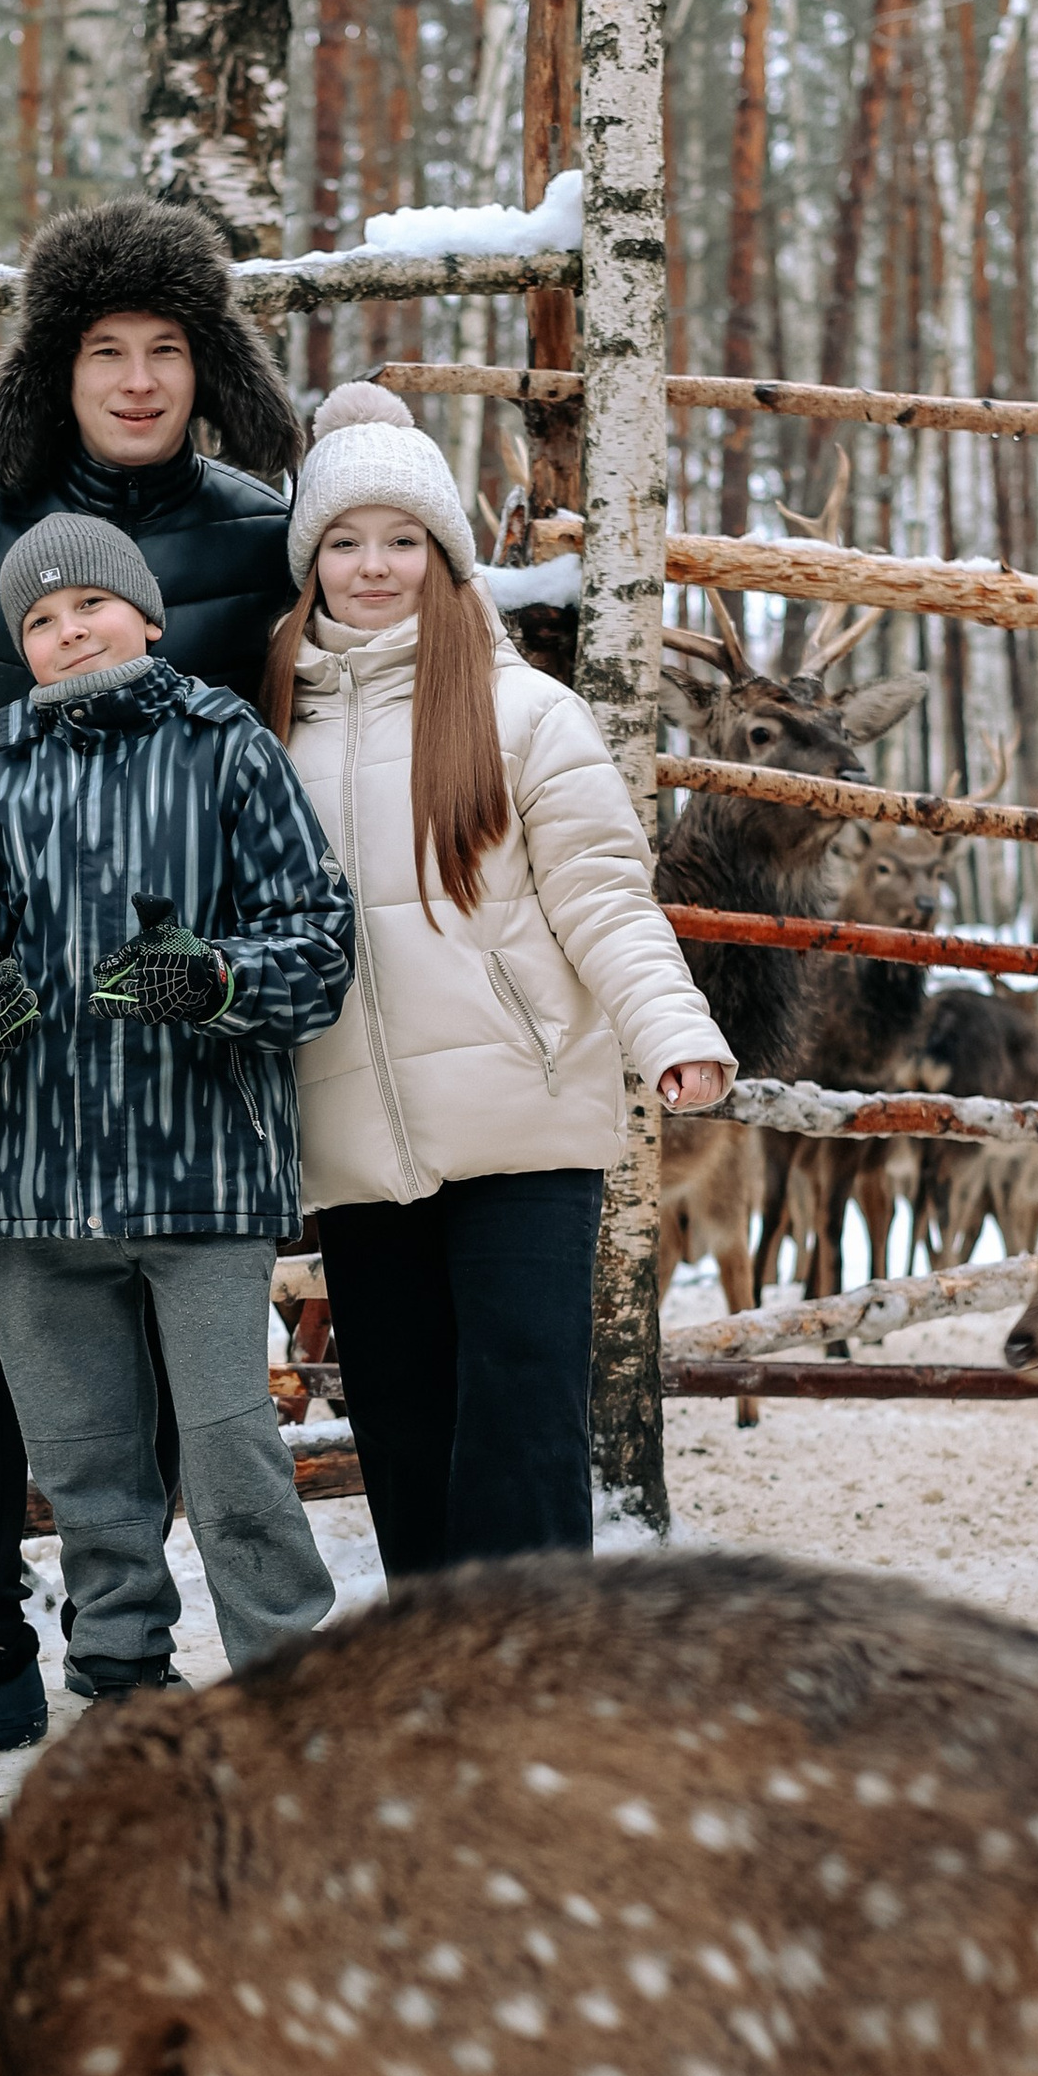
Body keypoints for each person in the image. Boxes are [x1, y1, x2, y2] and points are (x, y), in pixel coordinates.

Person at [0, 199, 303, 1769]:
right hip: (16, 1042)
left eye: (170, 347)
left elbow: (366, 635)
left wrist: (230, 964)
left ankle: (195, 1667)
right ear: (58, 363)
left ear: (207, 359)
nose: (141, 378)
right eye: (107, 349)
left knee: (198, 1390)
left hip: (188, 1051)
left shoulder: (256, 524)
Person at [266, 383, 735, 1578]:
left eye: (403, 541)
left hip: (524, 1125)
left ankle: (536, 1684)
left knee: (523, 1412)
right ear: (309, 558)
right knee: (404, 1419)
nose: (373, 568)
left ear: (445, 555)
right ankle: (441, 1680)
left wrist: (669, 1028)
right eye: (345, 541)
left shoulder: (525, 713)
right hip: (356, 1138)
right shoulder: (267, 730)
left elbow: (602, 896)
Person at [0, 517, 354, 1700]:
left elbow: (318, 946)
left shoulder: (228, 752)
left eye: (88, 606)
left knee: (227, 1449)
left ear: (144, 616)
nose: (66, 632)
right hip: (38, 1185)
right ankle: (116, 1666)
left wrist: (211, 982)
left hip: (202, 1172)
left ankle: (286, 1685)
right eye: (38, 622)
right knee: (87, 1460)